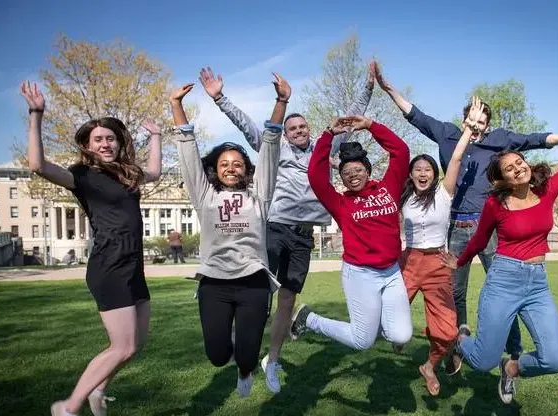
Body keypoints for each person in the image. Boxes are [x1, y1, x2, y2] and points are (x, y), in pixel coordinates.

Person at [374, 63, 558, 385]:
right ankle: (459, 340)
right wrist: (388, 89)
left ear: (489, 124)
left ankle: (512, 353)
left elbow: (535, 140)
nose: (479, 127)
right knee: (455, 291)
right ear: (465, 118)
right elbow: (415, 114)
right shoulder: (447, 135)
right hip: (456, 226)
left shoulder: (500, 143)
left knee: (504, 297)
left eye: (483, 122)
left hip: (499, 226)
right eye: (474, 120)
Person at [198, 64, 375, 393]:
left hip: (304, 235)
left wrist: (367, 88)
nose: (298, 131)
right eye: (292, 127)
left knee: (288, 301)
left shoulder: (324, 152)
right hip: (275, 229)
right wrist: (219, 98)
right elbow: (250, 126)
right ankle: (236, 337)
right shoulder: (273, 151)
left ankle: (273, 360)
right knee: (259, 292)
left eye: (302, 126)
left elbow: (348, 122)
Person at [20, 81, 162, 416]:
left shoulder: (128, 173)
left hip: (133, 265)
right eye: (98, 139)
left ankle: (101, 386)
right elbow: (37, 165)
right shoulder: (81, 176)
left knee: (136, 344)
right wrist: (36, 115)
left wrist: (157, 137)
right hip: (109, 264)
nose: (105, 143)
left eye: (110, 138)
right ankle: (67, 409)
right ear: (87, 146)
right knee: (121, 346)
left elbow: (155, 172)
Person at [441, 98, 558, 404]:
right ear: (501, 179)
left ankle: (512, 367)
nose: (518, 168)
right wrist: (457, 260)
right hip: (503, 281)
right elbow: (477, 241)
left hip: (537, 284)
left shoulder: (547, 190)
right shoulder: (494, 205)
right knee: (483, 361)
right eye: (509, 168)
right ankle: (460, 341)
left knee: (555, 360)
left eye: (519, 163)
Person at [169, 74, 286, 399]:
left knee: (247, 357)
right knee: (218, 355)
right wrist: (176, 106)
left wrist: (281, 103)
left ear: (247, 169)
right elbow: (189, 156)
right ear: (216, 169)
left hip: (253, 283)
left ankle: (246, 369)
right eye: (224, 164)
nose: (231, 168)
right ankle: (235, 353)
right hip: (214, 283)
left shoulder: (259, 195)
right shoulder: (204, 196)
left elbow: (271, 148)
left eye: (237, 163)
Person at [290, 115, 412, 352]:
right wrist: (328, 134)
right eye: (346, 173)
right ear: (342, 178)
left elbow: (401, 151)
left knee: (402, 335)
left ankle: (373, 321)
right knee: (362, 341)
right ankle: (310, 319)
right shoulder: (340, 203)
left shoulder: (388, 188)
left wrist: (371, 126)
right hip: (360, 274)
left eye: (358, 170)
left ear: (367, 170)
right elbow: (315, 175)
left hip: (391, 272)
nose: (353, 175)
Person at [394, 97, 486, 395]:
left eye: (428, 170)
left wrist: (469, 130)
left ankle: (429, 366)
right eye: (417, 169)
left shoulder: (445, 194)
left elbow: (457, 159)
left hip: (437, 263)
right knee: (390, 319)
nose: (422, 173)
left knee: (447, 332)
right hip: (407, 263)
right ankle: (399, 334)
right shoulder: (402, 196)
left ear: (435, 174)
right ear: (410, 174)